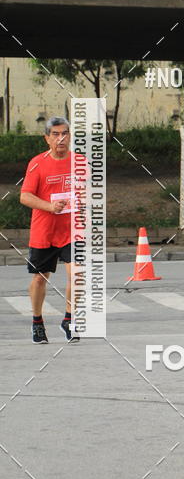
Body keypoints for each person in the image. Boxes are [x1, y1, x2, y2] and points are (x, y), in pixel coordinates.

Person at [20, 117, 79, 344]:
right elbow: (25, 196)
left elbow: (90, 192)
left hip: (72, 230)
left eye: (65, 133)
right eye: (55, 134)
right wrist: (49, 207)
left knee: (77, 274)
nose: (61, 138)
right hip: (44, 230)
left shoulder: (80, 162)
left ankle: (69, 319)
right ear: (47, 138)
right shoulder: (37, 163)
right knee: (39, 279)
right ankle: (37, 322)